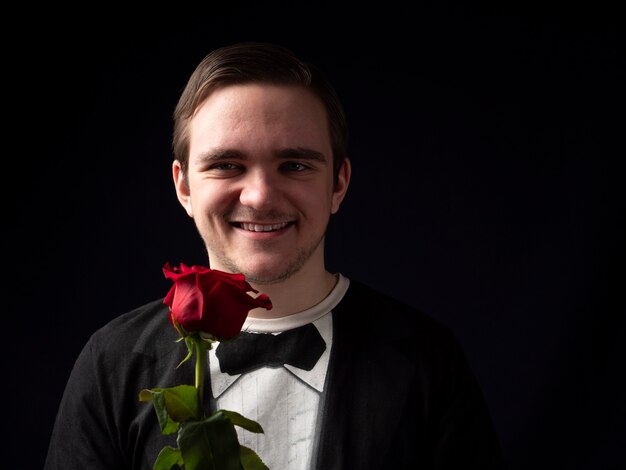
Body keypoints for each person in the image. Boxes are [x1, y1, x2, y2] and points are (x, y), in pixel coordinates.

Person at [44, 42, 505, 469]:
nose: (261, 196)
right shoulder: (113, 362)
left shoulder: (428, 361)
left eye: (295, 165)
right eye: (227, 165)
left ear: (338, 184)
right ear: (184, 186)